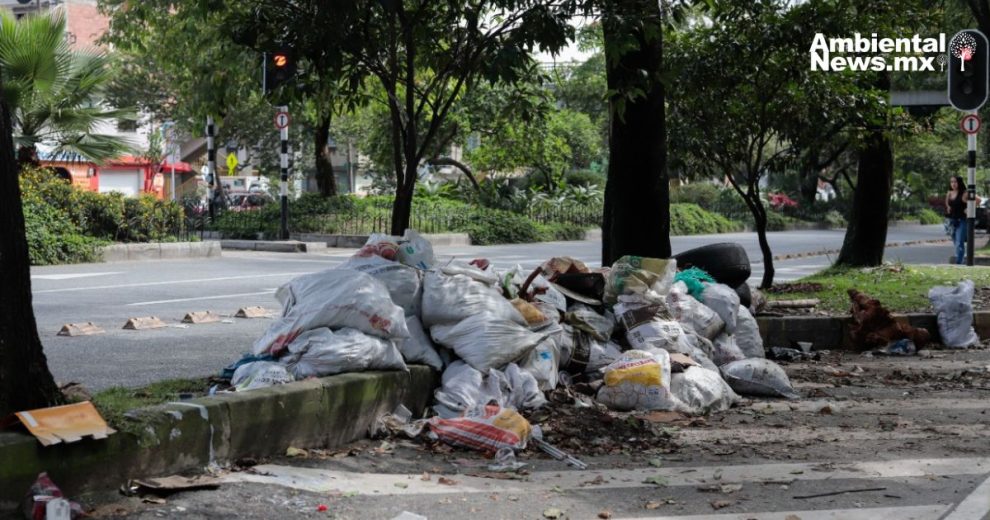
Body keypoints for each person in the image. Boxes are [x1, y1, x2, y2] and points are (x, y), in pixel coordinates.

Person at [946, 176, 980, 264]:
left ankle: (959, 262)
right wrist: (948, 207)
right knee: (955, 241)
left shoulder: (964, 193)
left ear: (959, 182)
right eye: (951, 182)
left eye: (955, 182)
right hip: (951, 221)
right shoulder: (949, 193)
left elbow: (978, 200)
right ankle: (960, 257)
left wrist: (969, 208)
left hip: (962, 220)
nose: (953, 184)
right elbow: (948, 203)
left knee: (959, 242)